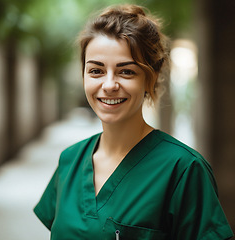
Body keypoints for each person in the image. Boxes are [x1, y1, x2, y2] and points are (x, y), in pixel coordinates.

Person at [33, 4, 234, 240]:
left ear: (151, 77)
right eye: (96, 71)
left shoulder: (183, 169)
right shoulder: (70, 161)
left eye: (126, 72)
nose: (109, 85)